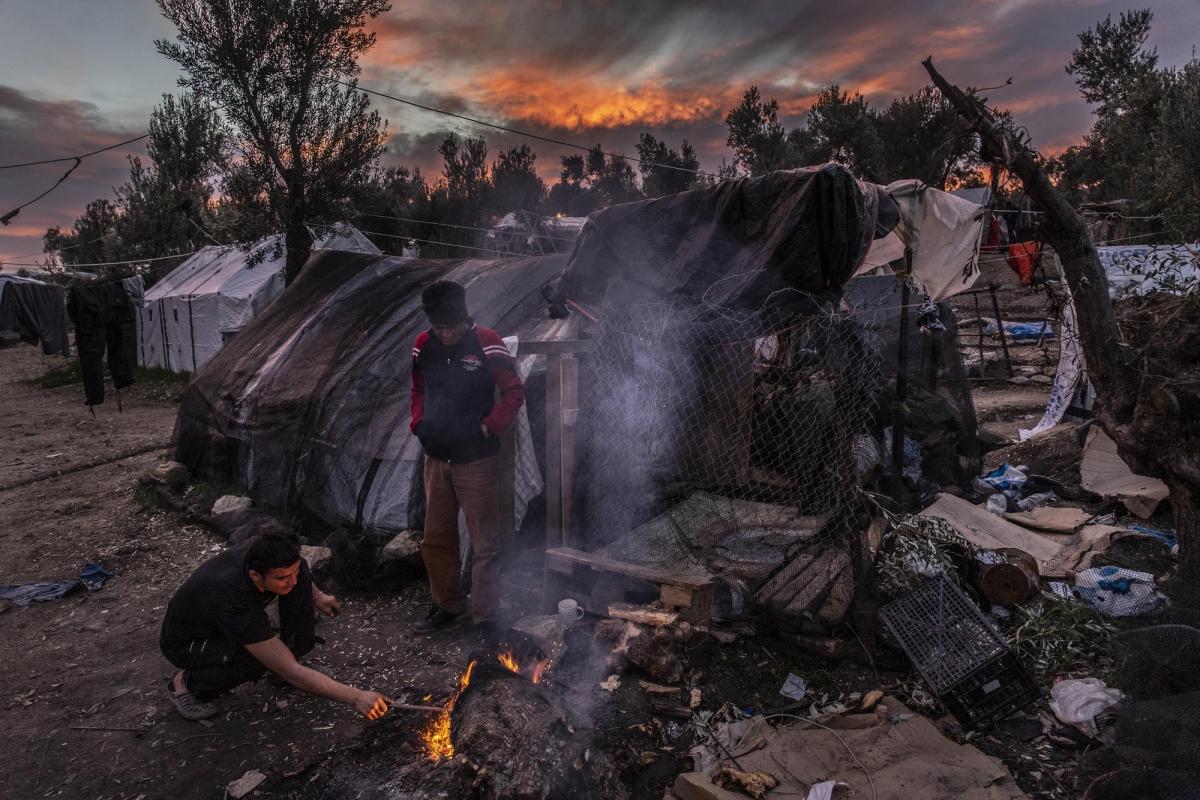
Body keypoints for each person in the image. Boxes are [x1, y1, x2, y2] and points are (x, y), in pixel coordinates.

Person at [160, 533, 391, 721]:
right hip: (190, 642)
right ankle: (186, 685)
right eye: (281, 578)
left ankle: (281, 667)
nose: (291, 580)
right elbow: (293, 673)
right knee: (257, 659)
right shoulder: (233, 599)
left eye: (292, 573)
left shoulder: (268, 551)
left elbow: (295, 569)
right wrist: (357, 697)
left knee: (298, 582)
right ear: (256, 576)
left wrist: (317, 595)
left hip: (225, 622)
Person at [410, 280, 525, 637]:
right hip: (437, 458)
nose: (444, 333)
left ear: (464, 318)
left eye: (450, 326)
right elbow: (417, 389)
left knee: (484, 542)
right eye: (438, 327)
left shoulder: (488, 342)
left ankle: (486, 615)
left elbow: (513, 391)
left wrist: (491, 426)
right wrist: (418, 423)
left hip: (477, 459)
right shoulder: (423, 345)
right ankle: (448, 605)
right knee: (436, 537)